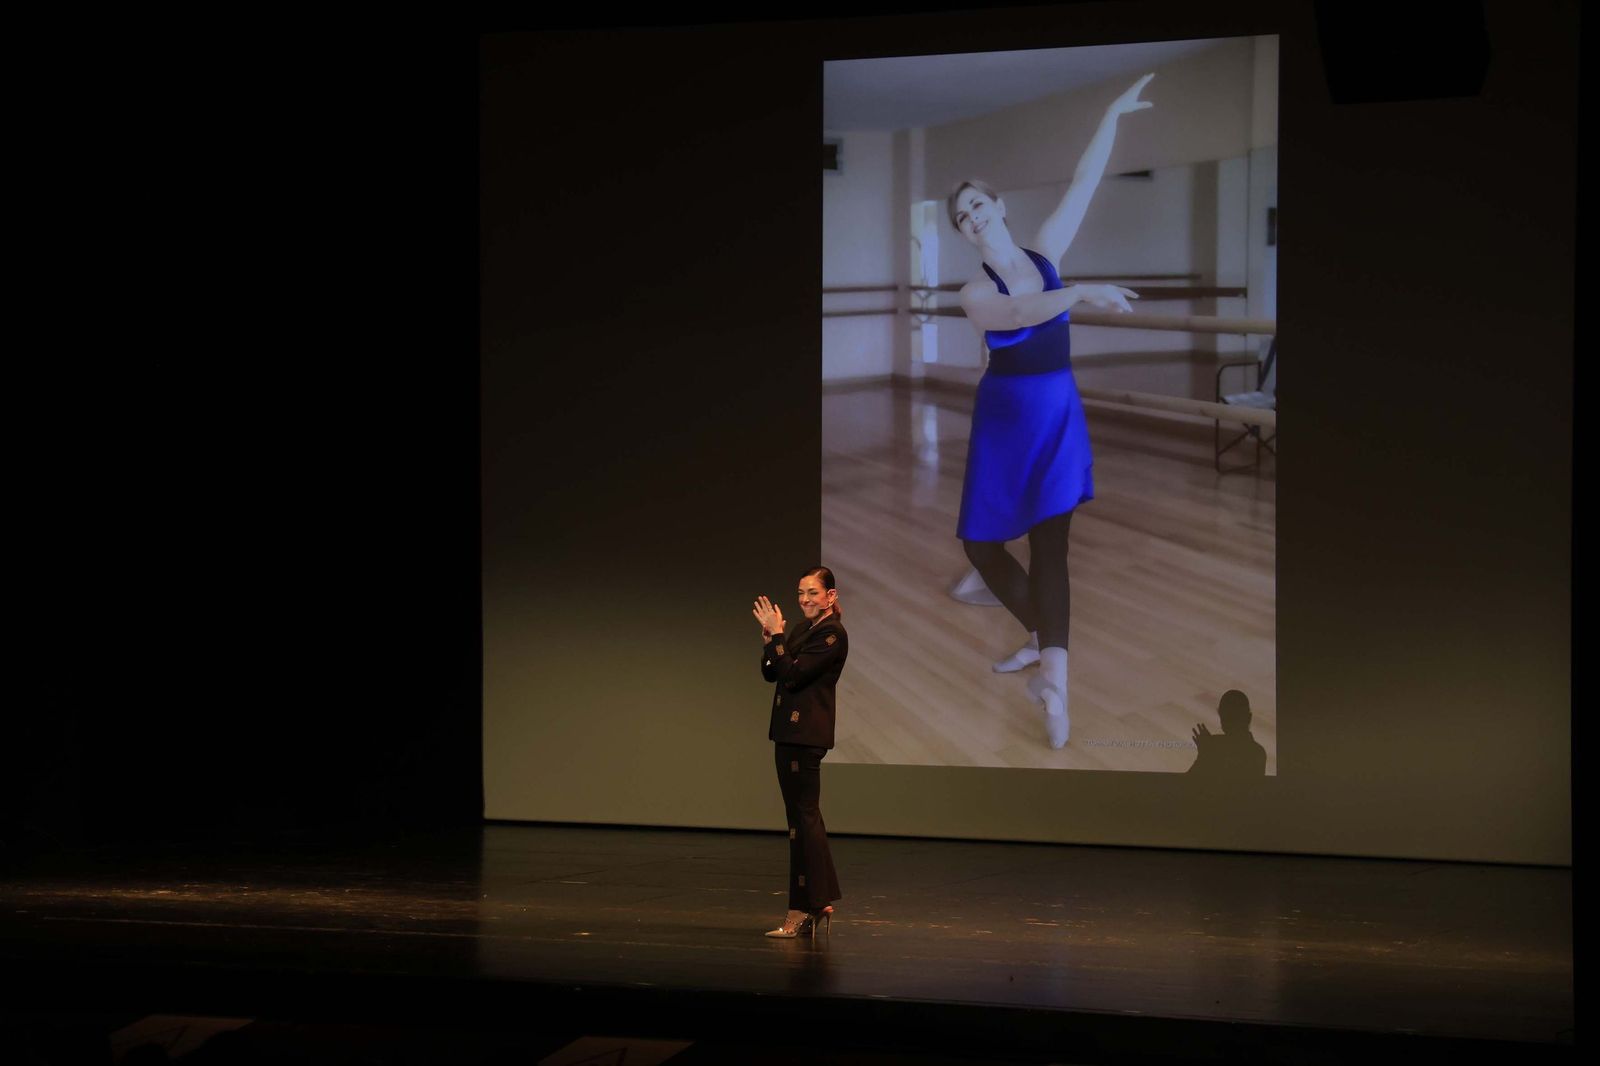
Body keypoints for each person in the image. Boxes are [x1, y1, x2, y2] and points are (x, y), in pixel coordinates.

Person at [951, 73, 1155, 749]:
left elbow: (1084, 180)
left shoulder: (1045, 252)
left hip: (1054, 410)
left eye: (979, 205)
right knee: (981, 543)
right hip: (1004, 415)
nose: (975, 218)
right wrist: (1083, 292)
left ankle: (1054, 681)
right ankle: (1044, 647)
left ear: (999, 205)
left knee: (1050, 546)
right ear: (962, 231)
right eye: (963, 217)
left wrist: (1112, 115)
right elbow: (1016, 313)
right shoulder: (974, 289)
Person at [752, 567, 848, 939]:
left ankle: (800, 910)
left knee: (802, 822)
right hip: (790, 732)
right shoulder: (804, 630)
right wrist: (769, 640)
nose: (805, 599)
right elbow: (771, 671)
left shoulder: (831, 634)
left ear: (831, 596)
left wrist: (777, 636)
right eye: (800, 593)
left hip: (804, 735)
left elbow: (792, 676)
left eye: (813, 593)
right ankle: (818, 901)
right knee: (803, 820)